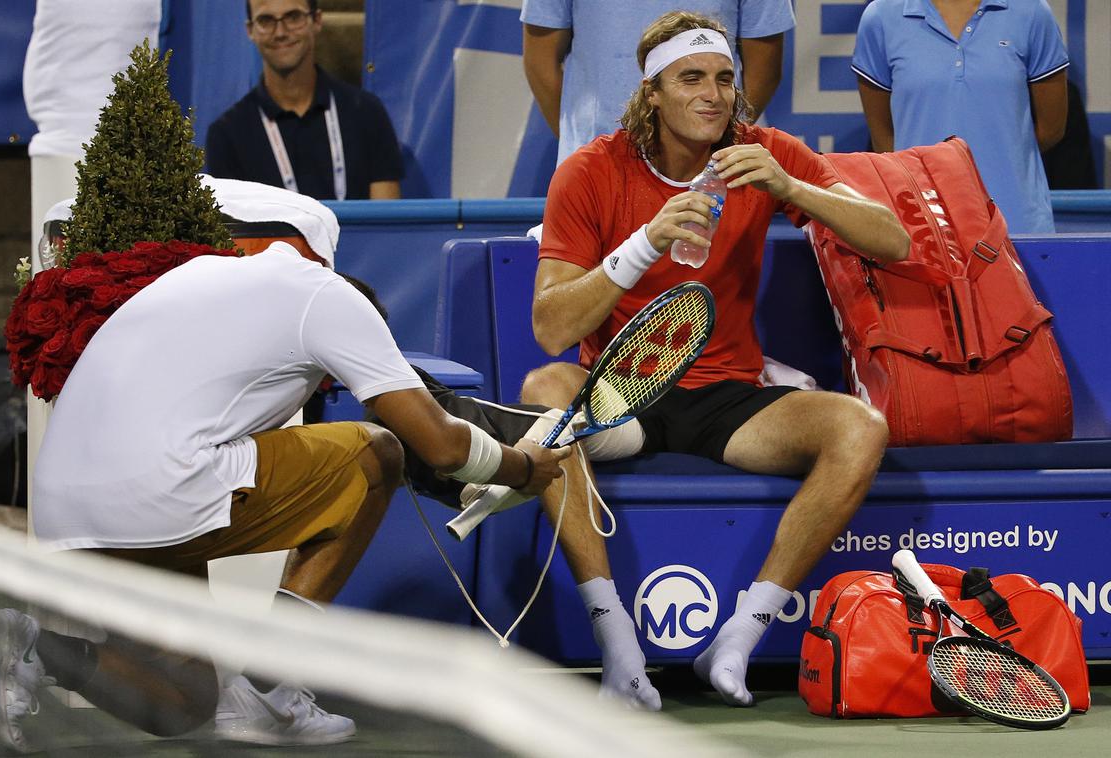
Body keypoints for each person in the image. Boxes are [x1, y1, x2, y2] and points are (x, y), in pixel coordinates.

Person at [0, 242, 569, 753]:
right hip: (159, 488)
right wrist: (520, 467)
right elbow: (435, 445)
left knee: (184, 702)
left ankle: (37, 647)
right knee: (379, 451)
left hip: (64, 512)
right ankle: (272, 685)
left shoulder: (206, 280)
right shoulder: (334, 302)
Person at [520, 11, 910, 707]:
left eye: (726, 78)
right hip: (622, 392)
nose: (714, 93)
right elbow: (551, 327)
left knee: (860, 428)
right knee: (543, 389)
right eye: (692, 78)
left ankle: (737, 641)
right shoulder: (590, 169)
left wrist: (793, 188)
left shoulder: (761, 153)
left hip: (727, 397)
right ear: (652, 94)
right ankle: (617, 648)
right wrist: (642, 244)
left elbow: (893, 239)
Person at [344, 275, 662, 711]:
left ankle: (615, 634)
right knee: (547, 417)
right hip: (518, 440)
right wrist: (522, 465)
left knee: (552, 429)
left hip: (629, 423)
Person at [851, 0, 1069, 234]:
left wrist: (1003, 161)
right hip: (923, 230)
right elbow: (884, 138)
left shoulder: (1032, 11)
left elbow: (1051, 129)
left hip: (1018, 225)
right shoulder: (881, 17)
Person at [521, 0, 795, 165]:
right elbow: (540, 62)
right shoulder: (590, 168)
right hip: (595, 171)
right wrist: (591, 148)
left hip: (706, 173)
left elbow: (764, 71)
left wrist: (713, 144)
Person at [205, 0, 403, 200]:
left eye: (293, 17)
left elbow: (385, 224)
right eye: (266, 20)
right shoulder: (227, 135)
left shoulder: (367, 113)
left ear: (316, 20)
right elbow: (233, 227)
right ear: (250, 30)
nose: (280, 32)